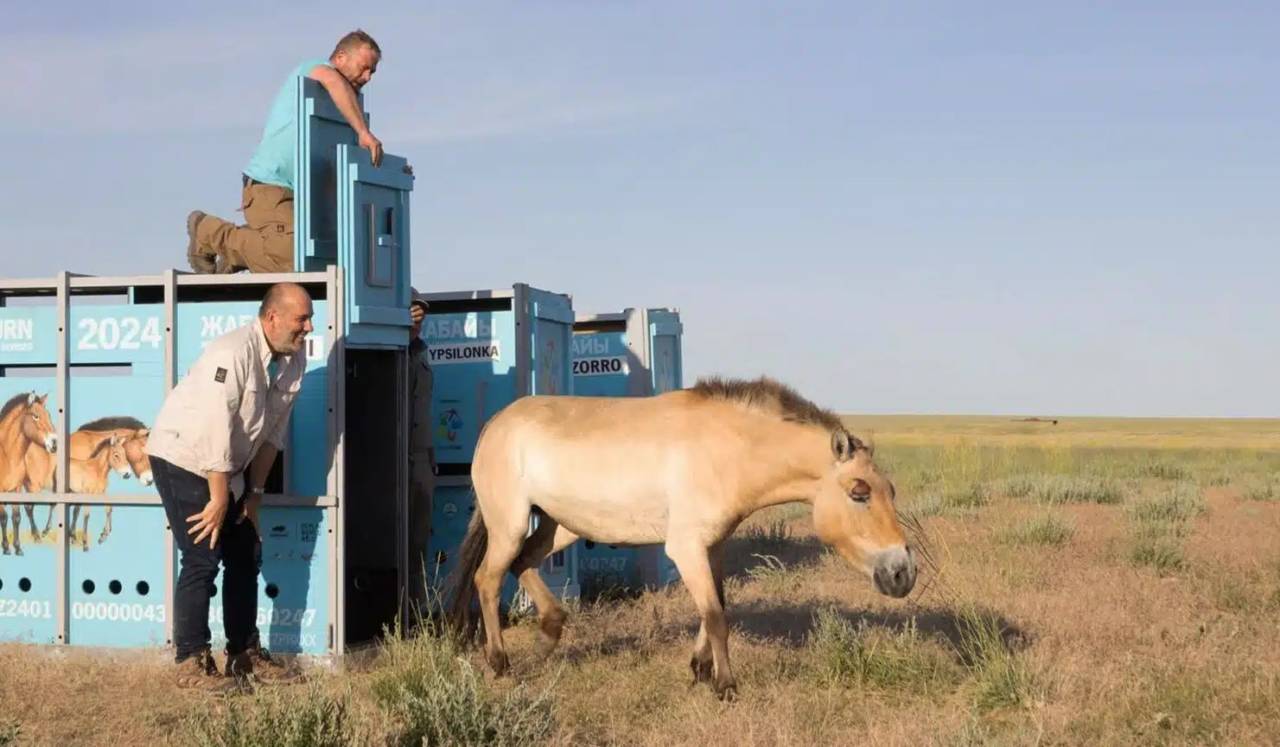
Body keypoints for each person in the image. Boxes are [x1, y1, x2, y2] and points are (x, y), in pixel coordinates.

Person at [145, 282, 314, 690]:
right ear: (272, 317)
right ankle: (190, 661)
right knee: (203, 556)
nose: (308, 327)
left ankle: (243, 655)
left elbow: (273, 433)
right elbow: (213, 427)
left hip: (229, 467)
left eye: (309, 319)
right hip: (184, 458)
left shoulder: (293, 358)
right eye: (301, 319)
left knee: (245, 553)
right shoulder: (231, 353)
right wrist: (220, 496)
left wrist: (253, 495)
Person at [186, 30, 385, 275]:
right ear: (341, 57)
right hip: (270, 185)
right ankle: (209, 231)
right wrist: (364, 132)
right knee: (293, 259)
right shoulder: (313, 70)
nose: (367, 77)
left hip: (307, 197)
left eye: (372, 72)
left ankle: (244, 251)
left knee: (323, 258)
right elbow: (333, 81)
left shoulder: (344, 105)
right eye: (364, 68)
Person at [406, 289, 438, 626]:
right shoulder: (393, 351)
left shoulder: (421, 353)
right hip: (393, 462)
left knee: (418, 540)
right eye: (411, 312)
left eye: (420, 312)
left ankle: (415, 613)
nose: (417, 317)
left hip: (420, 460)